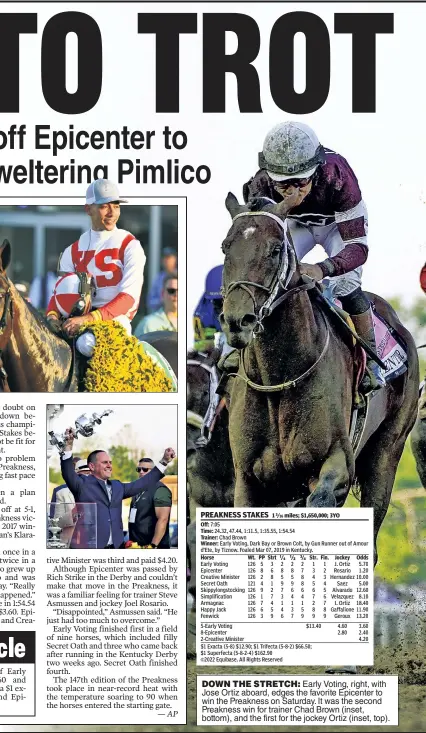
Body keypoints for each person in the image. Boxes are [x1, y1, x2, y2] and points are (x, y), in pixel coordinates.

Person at [243, 120, 385, 390]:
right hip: (297, 225)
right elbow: (255, 237)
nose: (293, 189)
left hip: (336, 226)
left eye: (300, 181)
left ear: (317, 167)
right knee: (265, 274)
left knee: (347, 285)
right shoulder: (260, 183)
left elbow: (358, 248)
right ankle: (234, 349)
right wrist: (285, 206)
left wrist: (323, 268)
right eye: (284, 184)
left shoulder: (339, 175)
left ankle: (374, 367)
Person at [46, 179, 146, 357]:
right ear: (88, 209)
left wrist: (88, 319)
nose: (112, 213)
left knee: (87, 344)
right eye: (104, 206)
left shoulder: (130, 244)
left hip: (116, 320)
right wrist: (52, 316)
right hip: (76, 320)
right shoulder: (72, 251)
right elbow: (58, 295)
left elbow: (128, 298)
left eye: (116, 206)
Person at [60, 427, 175, 549]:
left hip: (116, 549)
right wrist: (68, 446)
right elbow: (67, 472)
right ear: (92, 466)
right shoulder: (82, 484)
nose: (109, 465)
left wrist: (164, 462)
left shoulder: (117, 486)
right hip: (89, 549)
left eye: (110, 462)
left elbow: (142, 483)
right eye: (105, 462)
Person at [128, 458, 172, 548]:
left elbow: (163, 519)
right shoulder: (137, 488)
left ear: (153, 472)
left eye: (145, 469)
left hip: (154, 547)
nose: (141, 471)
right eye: (138, 469)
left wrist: (153, 545)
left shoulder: (160, 490)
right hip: (136, 545)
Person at [193, 265, 223, 349]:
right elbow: (203, 345)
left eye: (224, 300)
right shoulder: (203, 311)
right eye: (217, 302)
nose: (222, 307)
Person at [147, 247, 177, 313]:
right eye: (164, 258)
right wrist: (163, 300)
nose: (166, 260)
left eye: (169, 257)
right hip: (161, 316)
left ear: (175, 259)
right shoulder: (158, 278)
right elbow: (150, 301)